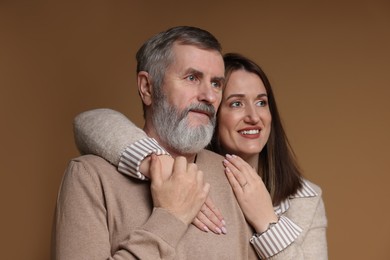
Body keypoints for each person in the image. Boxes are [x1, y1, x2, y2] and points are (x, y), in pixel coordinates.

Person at [73, 53, 328, 259]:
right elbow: (90, 121)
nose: (253, 116)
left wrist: (267, 222)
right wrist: (158, 164)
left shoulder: (305, 198)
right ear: (210, 112)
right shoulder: (192, 177)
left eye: (262, 102)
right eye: (236, 103)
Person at [52, 26, 260, 259]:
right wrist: (170, 218)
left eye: (216, 84)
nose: (209, 97)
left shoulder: (232, 176)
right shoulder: (90, 177)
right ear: (147, 87)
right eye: (192, 78)